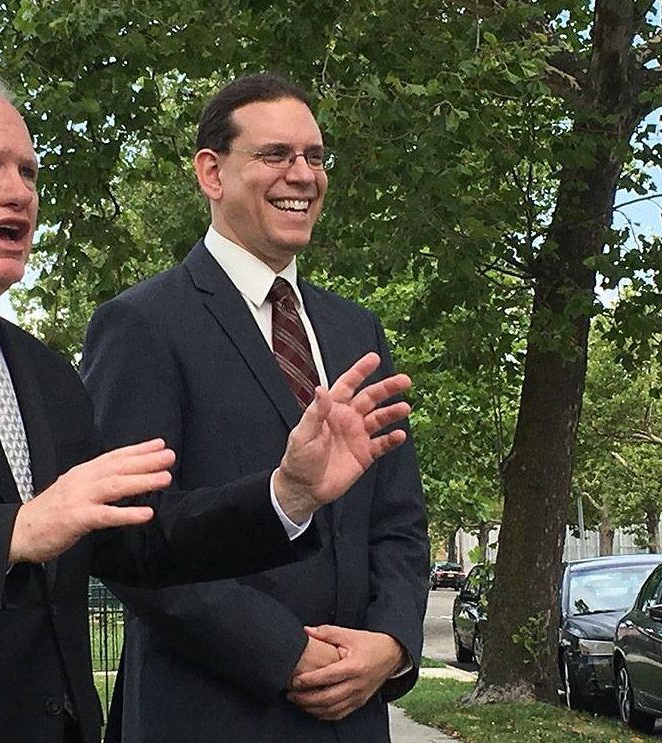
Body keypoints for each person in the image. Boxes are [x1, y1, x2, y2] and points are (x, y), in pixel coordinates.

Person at [0, 69, 415, 743]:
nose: (18, 192)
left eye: (28, 172)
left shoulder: (46, 375)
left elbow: (135, 541)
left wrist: (283, 494)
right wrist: (15, 531)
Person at [81, 73, 430, 742]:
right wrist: (284, 652)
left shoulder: (358, 333)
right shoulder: (140, 325)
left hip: (354, 717)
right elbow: (126, 537)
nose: (302, 174)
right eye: (275, 155)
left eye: (315, 156)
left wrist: (389, 642)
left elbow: (399, 523)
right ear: (211, 172)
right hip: (209, 713)